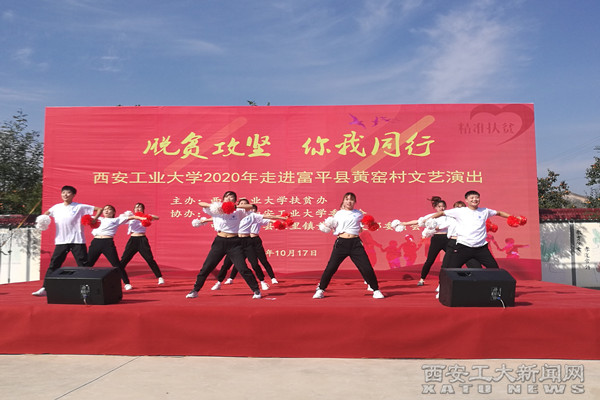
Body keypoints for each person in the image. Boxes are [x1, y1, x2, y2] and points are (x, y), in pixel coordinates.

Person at [186, 191, 262, 299]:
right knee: (207, 267)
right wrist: (215, 206)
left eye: (232, 197)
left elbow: (251, 206)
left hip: (235, 243)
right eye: (227, 197)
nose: (229, 198)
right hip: (219, 242)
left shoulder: (239, 211)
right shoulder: (216, 210)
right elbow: (201, 203)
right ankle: (195, 290)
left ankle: (256, 290)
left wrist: (234, 206)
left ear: (235, 200)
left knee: (242, 268)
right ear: (223, 199)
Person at [32, 185, 102, 296]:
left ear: (73, 195)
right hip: (61, 241)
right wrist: (42, 221)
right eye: (63, 192)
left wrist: (94, 219)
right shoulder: (56, 207)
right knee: (54, 264)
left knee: (83, 265)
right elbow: (45, 215)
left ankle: (86, 289)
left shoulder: (79, 207)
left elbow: (99, 209)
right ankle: (45, 288)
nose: (65, 195)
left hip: (77, 240)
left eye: (68, 193)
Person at [313, 192, 384, 299]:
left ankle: (376, 290)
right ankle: (320, 289)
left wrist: (371, 224)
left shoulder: (358, 214)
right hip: (341, 243)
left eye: (351, 199)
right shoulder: (338, 214)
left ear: (355, 202)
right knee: (331, 268)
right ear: (343, 201)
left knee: (367, 267)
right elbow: (331, 226)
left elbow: (362, 227)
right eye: (347, 199)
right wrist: (325, 225)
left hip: (355, 243)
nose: (349, 201)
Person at [427, 190, 515, 270]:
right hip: (463, 247)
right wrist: (427, 220)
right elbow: (442, 213)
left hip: (481, 248)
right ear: (466, 200)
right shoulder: (460, 211)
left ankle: (490, 283)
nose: (474, 199)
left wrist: (512, 217)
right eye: (472, 198)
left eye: (477, 197)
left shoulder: (485, 211)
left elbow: (499, 213)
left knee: (494, 269)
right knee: (451, 269)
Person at [214, 203, 287, 290]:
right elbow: (217, 218)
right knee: (227, 263)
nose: (243, 206)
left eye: (244, 204)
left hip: (248, 241)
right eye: (241, 204)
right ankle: (219, 282)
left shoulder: (253, 215)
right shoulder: (234, 215)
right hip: (236, 241)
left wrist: (282, 218)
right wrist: (204, 221)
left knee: (254, 263)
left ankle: (262, 282)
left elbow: (268, 217)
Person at [87, 205, 148, 290]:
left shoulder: (116, 220)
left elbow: (132, 217)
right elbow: (83, 217)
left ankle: (126, 283)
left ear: (113, 212)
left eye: (109, 209)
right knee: (88, 264)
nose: (106, 211)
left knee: (116, 264)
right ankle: (83, 282)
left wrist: (142, 218)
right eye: (105, 209)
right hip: (95, 242)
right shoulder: (98, 218)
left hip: (107, 243)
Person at [397, 196, 454, 286]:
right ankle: (422, 279)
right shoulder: (431, 217)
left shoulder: (450, 216)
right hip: (436, 239)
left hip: (448, 239)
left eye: (443, 206)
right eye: (439, 206)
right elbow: (418, 222)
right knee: (430, 260)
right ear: (435, 208)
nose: (442, 208)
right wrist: (404, 223)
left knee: (454, 258)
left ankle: (454, 278)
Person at [120, 202, 164, 287]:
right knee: (124, 260)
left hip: (142, 240)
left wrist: (146, 216)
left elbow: (157, 217)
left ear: (143, 209)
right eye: (136, 207)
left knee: (149, 259)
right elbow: (121, 219)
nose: (138, 208)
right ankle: (119, 277)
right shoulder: (131, 217)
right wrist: (129, 216)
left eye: (140, 207)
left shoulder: (145, 217)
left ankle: (159, 277)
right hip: (132, 240)